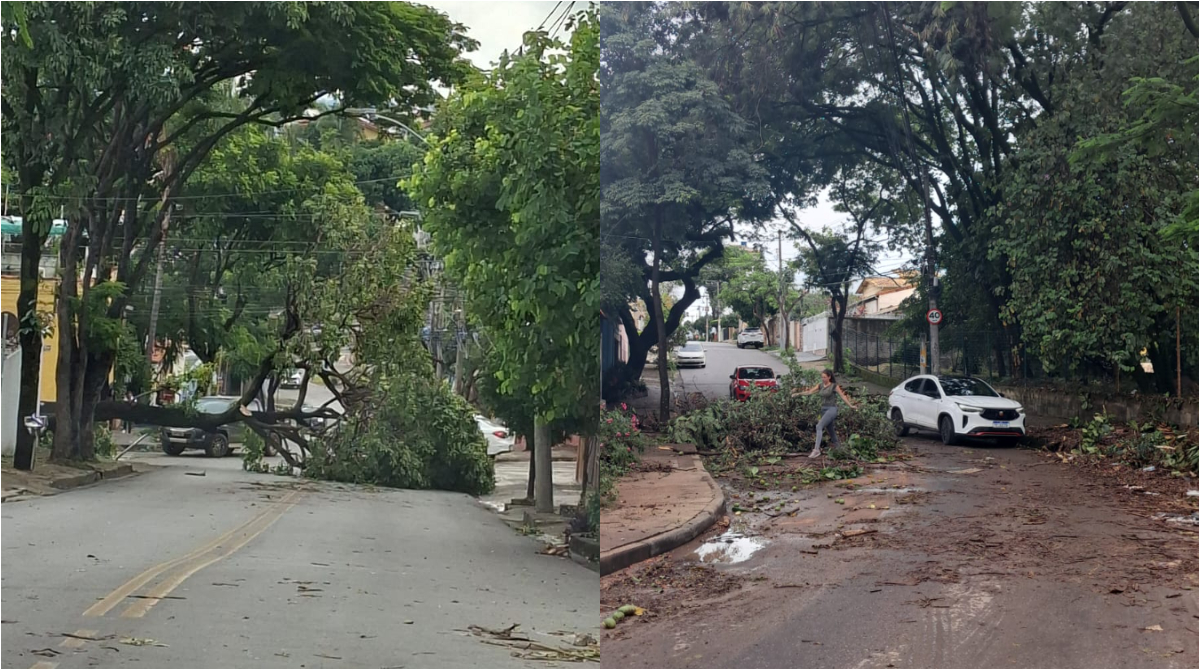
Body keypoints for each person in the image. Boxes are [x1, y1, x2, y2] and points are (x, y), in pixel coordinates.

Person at [792, 369, 858, 458]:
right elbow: (809, 392)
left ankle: (816, 450)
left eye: (824, 377)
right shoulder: (820, 385)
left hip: (832, 409)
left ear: (829, 377)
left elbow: (843, 396)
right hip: (823, 410)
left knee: (819, 426)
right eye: (822, 377)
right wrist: (798, 394)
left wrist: (851, 406)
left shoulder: (834, 386)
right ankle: (840, 450)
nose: (823, 379)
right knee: (831, 430)